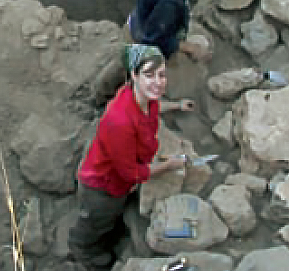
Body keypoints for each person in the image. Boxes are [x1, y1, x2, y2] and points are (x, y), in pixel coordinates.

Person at [69, 44, 195, 270]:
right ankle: (84, 253)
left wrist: (176, 105)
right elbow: (132, 173)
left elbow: (154, 107)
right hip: (102, 186)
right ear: (134, 76)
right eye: (149, 75)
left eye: (161, 75)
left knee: (108, 218)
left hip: (117, 182)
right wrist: (169, 165)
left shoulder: (145, 98)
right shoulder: (120, 121)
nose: (157, 82)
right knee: (96, 224)